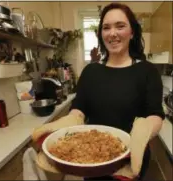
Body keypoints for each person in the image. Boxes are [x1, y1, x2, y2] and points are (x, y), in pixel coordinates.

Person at [32, 2, 165, 181]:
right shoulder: (90, 71)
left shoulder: (148, 71)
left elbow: (155, 114)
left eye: (120, 26)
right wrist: (69, 120)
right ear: (101, 34)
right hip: (93, 161)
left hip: (130, 160)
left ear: (132, 32)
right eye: (106, 28)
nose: (112, 33)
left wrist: (144, 130)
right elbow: (79, 109)